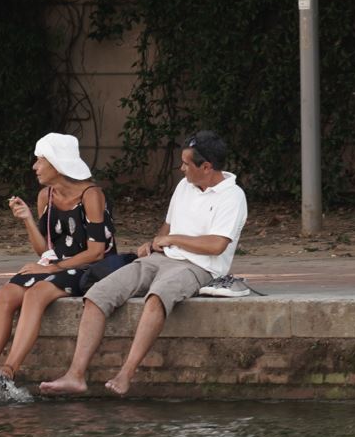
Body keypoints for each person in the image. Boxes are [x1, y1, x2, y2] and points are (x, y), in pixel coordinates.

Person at [41, 131, 247, 399]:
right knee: (97, 294)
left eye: (186, 163)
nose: (181, 168)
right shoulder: (184, 186)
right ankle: (75, 375)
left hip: (199, 267)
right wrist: (154, 243)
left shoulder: (232, 196)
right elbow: (168, 226)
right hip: (160, 258)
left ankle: (126, 373)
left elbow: (216, 245)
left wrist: (172, 239)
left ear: (206, 167)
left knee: (156, 298)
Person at [0, 132, 118, 391]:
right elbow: (45, 249)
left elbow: (97, 251)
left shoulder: (91, 194)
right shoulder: (45, 197)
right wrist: (28, 219)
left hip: (89, 267)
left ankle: (10, 368)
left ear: (57, 163)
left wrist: (50, 268)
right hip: (56, 264)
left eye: (40, 160)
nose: (34, 166)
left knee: (36, 293)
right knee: (6, 292)